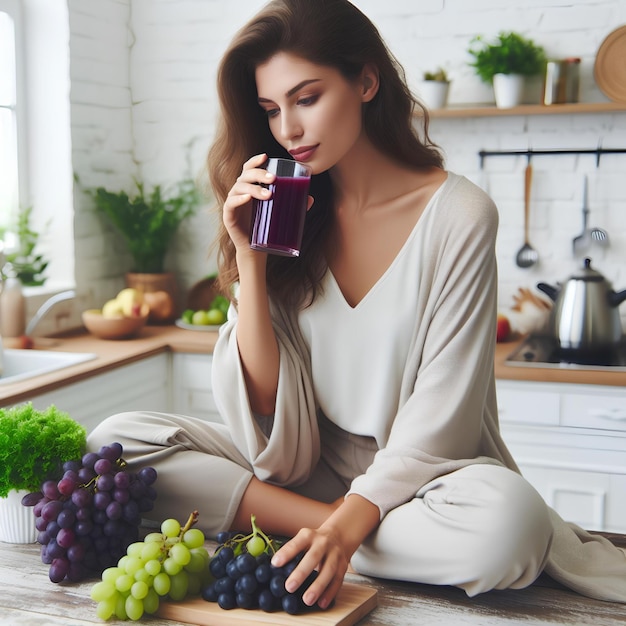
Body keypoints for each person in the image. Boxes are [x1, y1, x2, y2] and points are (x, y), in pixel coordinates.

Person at [88, 0, 626, 609]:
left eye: (306, 98)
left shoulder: (459, 215)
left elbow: (442, 418)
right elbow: (268, 415)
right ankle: (322, 528)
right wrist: (251, 264)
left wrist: (351, 522)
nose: (287, 129)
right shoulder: (289, 216)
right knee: (116, 443)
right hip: (308, 471)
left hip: (425, 484)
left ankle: (302, 531)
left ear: (366, 81)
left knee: (509, 525)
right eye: (271, 110)